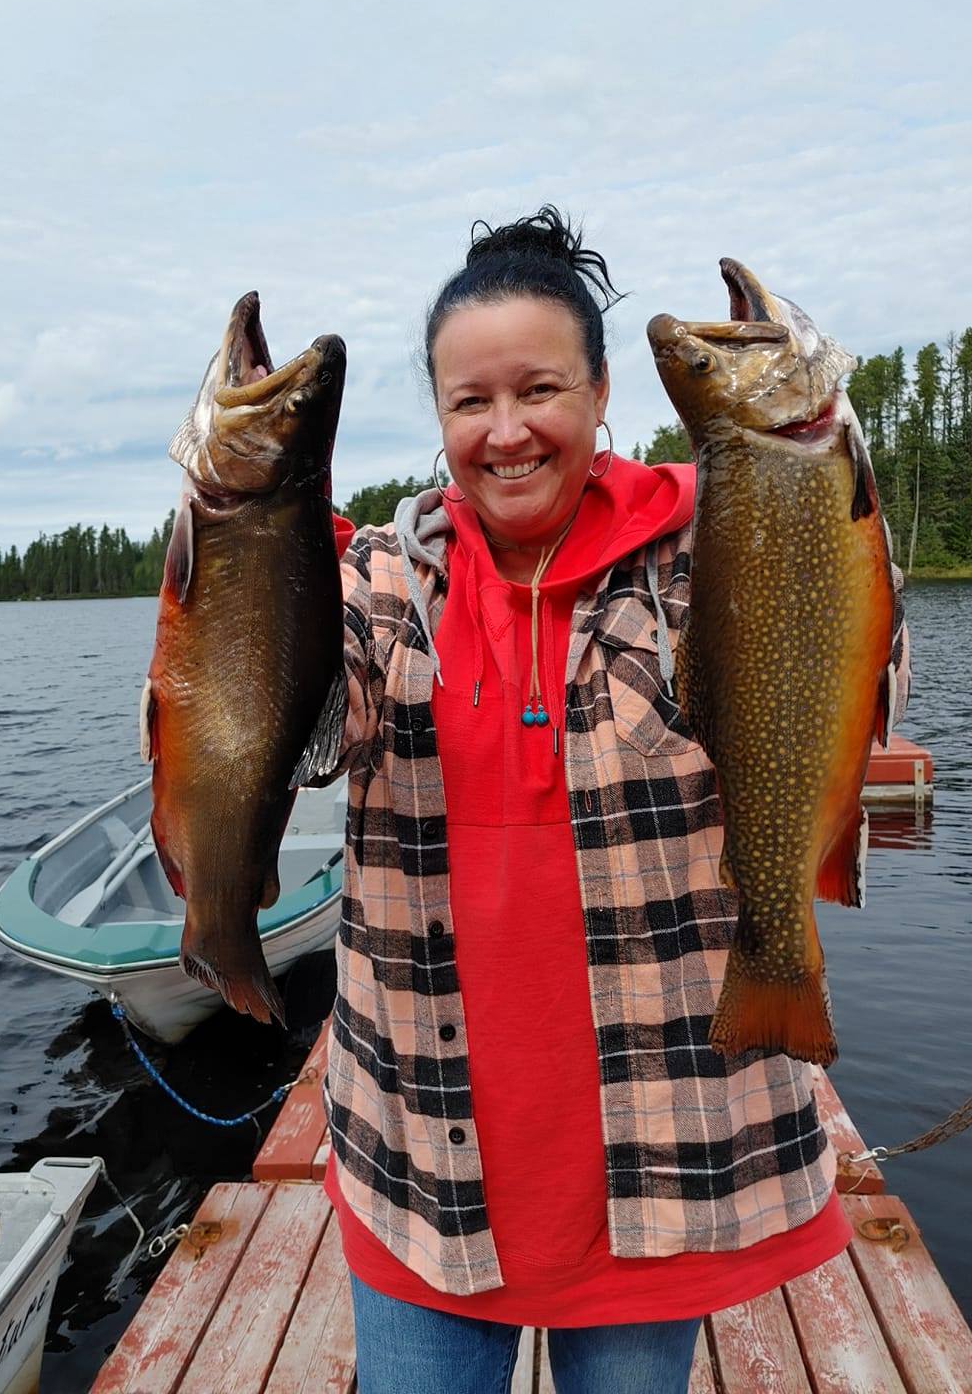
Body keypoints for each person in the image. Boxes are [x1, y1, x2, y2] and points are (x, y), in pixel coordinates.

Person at [318, 207, 910, 1394]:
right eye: (467, 402)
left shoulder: (711, 549)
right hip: (423, 1161)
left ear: (598, 398)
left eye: (537, 388)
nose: (505, 430)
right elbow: (305, 734)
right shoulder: (380, 579)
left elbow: (865, 677)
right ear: (438, 422)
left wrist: (818, 461)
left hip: (665, 1156)